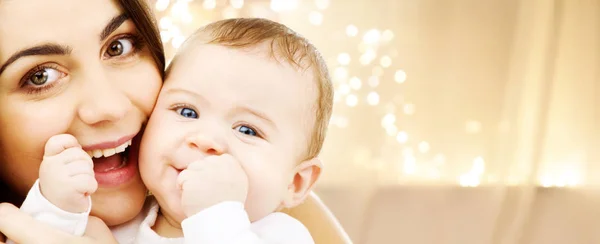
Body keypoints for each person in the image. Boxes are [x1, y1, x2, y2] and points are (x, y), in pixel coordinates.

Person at [0, 0, 350, 243]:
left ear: (297, 182)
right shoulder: (138, 220)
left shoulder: (278, 224)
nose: (110, 107)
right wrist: (56, 203)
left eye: (119, 46)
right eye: (40, 75)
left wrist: (216, 217)